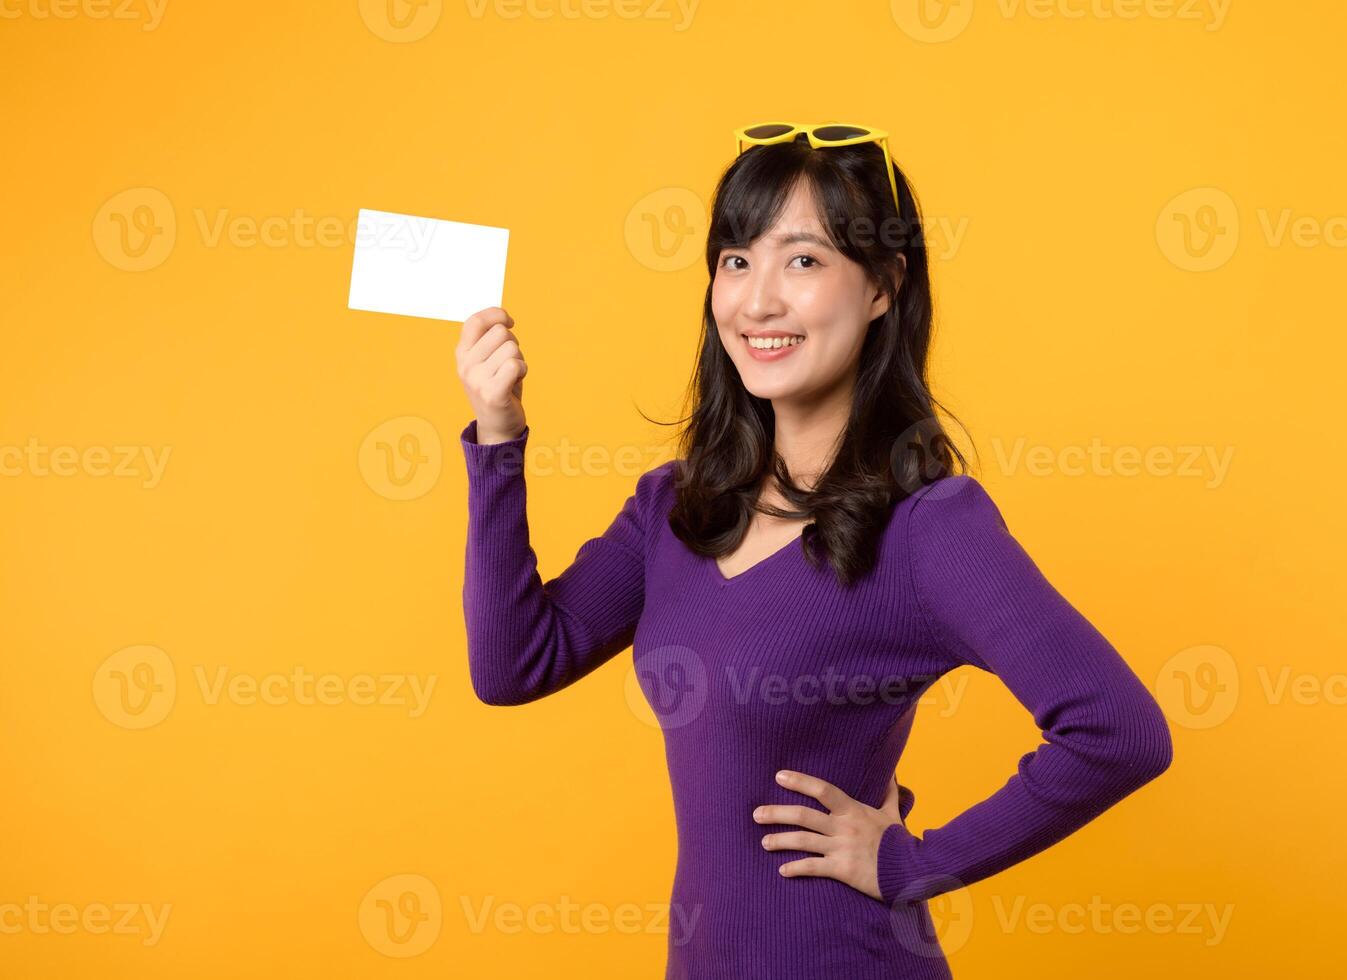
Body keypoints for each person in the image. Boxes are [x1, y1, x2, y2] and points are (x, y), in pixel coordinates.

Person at [453, 122, 1173, 979]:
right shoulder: (676, 508)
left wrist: (910, 862)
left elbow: (1119, 731)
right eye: (735, 259)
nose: (756, 301)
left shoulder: (928, 526)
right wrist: (498, 437)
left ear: (881, 287)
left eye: (801, 261)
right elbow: (512, 665)